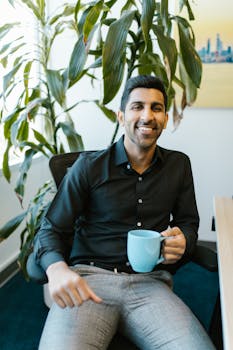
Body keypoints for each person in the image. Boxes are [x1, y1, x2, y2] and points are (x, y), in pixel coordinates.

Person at [35, 75, 215, 349]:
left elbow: (188, 222)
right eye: (137, 106)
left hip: (150, 284)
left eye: (156, 108)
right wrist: (57, 269)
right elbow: (51, 229)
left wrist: (185, 241)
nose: (147, 115)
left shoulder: (178, 165)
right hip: (89, 281)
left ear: (165, 118)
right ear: (121, 116)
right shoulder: (88, 167)